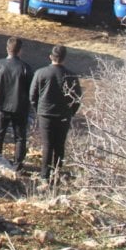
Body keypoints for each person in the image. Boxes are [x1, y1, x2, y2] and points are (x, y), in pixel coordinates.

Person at [29, 45, 82, 184]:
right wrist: (71, 112)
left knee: (47, 145)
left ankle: (44, 175)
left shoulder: (41, 73)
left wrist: (38, 110)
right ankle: (57, 173)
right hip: (63, 115)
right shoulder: (71, 76)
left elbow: (32, 95)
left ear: (51, 57)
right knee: (59, 145)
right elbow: (77, 98)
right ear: (64, 59)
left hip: (45, 114)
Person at [0, 36, 34, 171]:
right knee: (20, 137)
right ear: (20, 51)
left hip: (0, 106)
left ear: (7, 49)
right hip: (19, 107)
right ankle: (18, 165)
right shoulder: (25, 68)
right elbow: (30, 88)